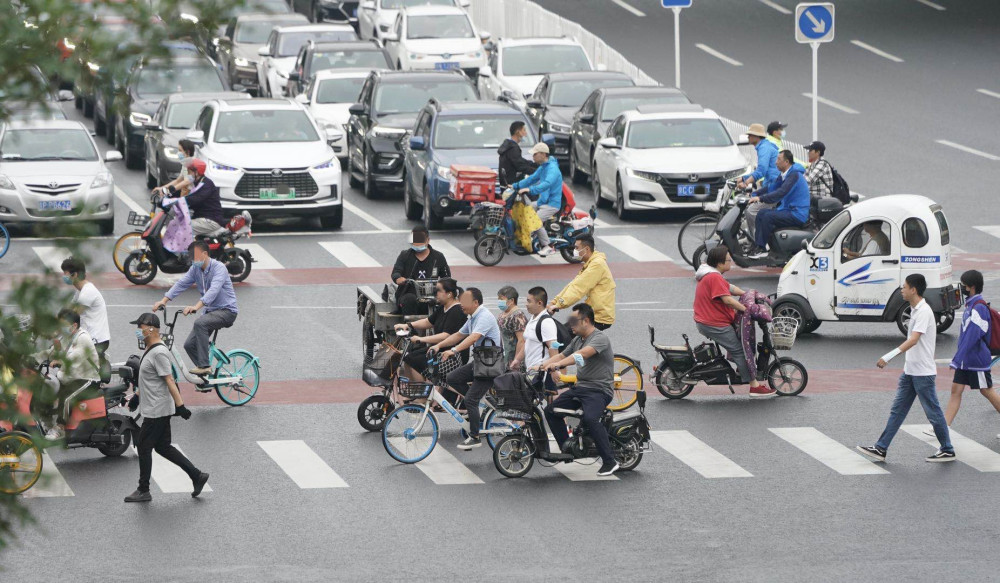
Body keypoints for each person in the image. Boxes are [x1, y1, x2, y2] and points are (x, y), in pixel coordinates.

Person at [856, 274, 956, 463]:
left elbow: (913, 340)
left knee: (933, 412)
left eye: (904, 287)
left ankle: (947, 449)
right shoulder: (915, 309)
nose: (902, 290)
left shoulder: (925, 312)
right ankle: (881, 448)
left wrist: (888, 356)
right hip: (911, 371)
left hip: (923, 373)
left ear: (913, 290)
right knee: (898, 411)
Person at [124, 312, 209, 503]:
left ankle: (143, 489)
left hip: (157, 410)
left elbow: (169, 380)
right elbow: (150, 381)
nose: (138, 330)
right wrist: (137, 397)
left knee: (144, 447)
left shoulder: (159, 352)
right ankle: (197, 475)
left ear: (151, 328)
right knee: (162, 447)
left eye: (140, 326)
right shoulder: (150, 348)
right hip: (155, 407)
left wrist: (181, 407)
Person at [541, 303, 619, 476]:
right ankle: (567, 449)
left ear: (586, 321)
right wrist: (539, 366)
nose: (571, 325)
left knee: (591, 419)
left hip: (599, 390)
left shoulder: (600, 338)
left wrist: (557, 365)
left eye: (574, 321)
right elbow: (561, 355)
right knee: (551, 411)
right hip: (581, 387)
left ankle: (609, 461)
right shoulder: (578, 340)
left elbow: (580, 355)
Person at [693, 246, 774, 397]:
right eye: (728, 261)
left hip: (709, 320)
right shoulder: (713, 277)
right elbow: (728, 300)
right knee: (739, 349)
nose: (731, 263)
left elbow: (729, 288)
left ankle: (742, 368)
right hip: (713, 323)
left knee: (738, 342)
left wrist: (748, 294)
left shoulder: (711, 274)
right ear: (719, 263)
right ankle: (754, 386)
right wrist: (746, 309)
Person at [152, 240, 238, 376]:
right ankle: (206, 376)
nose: (192, 260)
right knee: (189, 345)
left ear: (204, 254)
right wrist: (164, 300)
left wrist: (196, 307)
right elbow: (181, 284)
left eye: (194, 256)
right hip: (210, 312)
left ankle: (204, 366)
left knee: (200, 323)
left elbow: (213, 291)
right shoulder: (195, 269)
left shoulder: (219, 268)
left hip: (227, 311)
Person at [931, 270, 1000, 435]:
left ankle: (942, 428)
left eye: (964, 286)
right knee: (956, 390)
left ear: (972, 287)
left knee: (987, 391)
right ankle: (942, 428)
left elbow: (972, 337)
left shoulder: (979, 308)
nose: (961, 289)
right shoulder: (972, 305)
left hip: (975, 360)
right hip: (966, 360)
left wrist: (957, 358)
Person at [434, 288, 503, 450]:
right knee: (452, 378)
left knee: (470, 400)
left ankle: (475, 436)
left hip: (491, 365)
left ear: (476, 303)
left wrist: (453, 351)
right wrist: (438, 345)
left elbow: (473, 338)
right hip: (481, 362)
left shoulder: (484, 316)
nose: (461, 305)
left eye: (464, 302)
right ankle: (477, 407)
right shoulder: (472, 317)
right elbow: (459, 334)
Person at [42, 309, 102, 440]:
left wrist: (59, 362)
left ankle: (60, 428)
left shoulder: (82, 338)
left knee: (66, 397)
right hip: (72, 376)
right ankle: (47, 422)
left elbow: (71, 361)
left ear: (74, 325)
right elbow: (51, 352)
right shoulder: (67, 336)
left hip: (88, 378)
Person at [393, 277, 466, 382]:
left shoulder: (457, 311)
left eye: (438, 291)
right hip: (439, 349)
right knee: (408, 358)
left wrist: (421, 339)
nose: (435, 293)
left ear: (449, 294)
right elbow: (428, 322)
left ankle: (422, 396)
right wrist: (409, 325)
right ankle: (414, 394)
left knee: (415, 362)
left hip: (452, 355)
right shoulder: (443, 307)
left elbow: (446, 335)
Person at [747, 150, 809, 258]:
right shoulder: (785, 175)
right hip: (787, 210)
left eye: (778, 159)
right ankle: (758, 245)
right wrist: (754, 193)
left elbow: (781, 192)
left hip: (797, 213)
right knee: (761, 213)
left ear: (786, 162)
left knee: (768, 216)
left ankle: (762, 249)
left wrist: (760, 198)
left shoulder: (794, 175)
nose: (776, 162)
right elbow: (772, 187)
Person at [549, 235, 616, 330]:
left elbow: (579, 288)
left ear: (587, 249)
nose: (574, 250)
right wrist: (555, 302)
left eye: (577, 247)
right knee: (564, 333)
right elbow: (573, 284)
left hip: (598, 317)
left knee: (564, 336)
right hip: (591, 313)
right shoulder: (591, 262)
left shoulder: (597, 264)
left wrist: (559, 305)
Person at [60, 257, 110, 378]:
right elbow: (67, 310)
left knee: (75, 373)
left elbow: (72, 316)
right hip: (87, 337)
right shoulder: (80, 291)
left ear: (75, 274)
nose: (63, 277)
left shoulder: (88, 292)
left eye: (65, 274)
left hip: (96, 340)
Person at [510, 142, 563, 257]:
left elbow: (546, 184)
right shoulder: (543, 167)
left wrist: (530, 190)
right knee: (526, 210)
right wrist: (515, 186)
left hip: (552, 204)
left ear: (543, 154)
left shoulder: (552, 169)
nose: (533, 157)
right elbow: (532, 179)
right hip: (542, 202)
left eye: (535, 154)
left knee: (535, 220)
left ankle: (548, 246)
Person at [391, 227, 451, 315]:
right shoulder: (405, 255)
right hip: (409, 294)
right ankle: (410, 326)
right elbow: (396, 272)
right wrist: (399, 279)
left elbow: (447, 278)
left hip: (431, 294)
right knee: (409, 300)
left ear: (428, 240)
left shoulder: (438, 257)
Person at [514, 286, 560, 394]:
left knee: (548, 403)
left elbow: (553, 348)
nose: (526, 304)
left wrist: (554, 370)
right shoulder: (533, 318)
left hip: (541, 372)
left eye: (529, 301)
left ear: (539, 303)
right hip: (531, 370)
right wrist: (517, 360)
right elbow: (528, 342)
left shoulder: (546, 322)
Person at [182, 158, 225, 237]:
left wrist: (178, 201)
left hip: (211, 220)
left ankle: (184, 249)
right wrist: (167, 194)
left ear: (196, 173)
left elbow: (195, 199)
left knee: (182, 227)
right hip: (201, 219)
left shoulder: (206, 184)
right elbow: (179, 192)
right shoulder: (195, 183)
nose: (188, 174)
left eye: (189, 172)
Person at [736, 123, 779, 191]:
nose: (748, 137)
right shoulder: (765, 146)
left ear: (757, 136)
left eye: (750, 135)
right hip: (772, 181)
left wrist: (745, 183)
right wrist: (743, 178)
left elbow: (761, 170)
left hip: (774, 183)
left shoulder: (764, 148)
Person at [496, 286, 527, 370]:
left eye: (501, 299)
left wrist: (517, 360)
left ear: (512, 301)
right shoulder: (503, 313)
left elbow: (522, 340)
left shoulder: (518, 315)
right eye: (498, 299)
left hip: (513, 357)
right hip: (504, 355)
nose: (499, 301)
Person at [497, 121, 536, 186]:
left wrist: (533, 164)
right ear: (518, 132)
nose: (525, 134)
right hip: (511, 184)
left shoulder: (508, 146)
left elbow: (520, 160)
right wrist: (537, 172)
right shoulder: (513, 148)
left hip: (506, 182)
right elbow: (520, 166)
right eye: (524, 130)